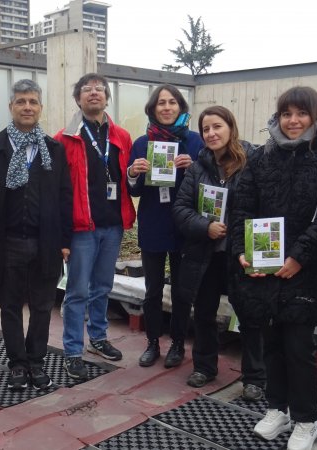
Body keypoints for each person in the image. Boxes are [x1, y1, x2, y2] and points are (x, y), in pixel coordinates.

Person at [230, 86, 317, 450]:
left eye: (302, 114)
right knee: (270, 342)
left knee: (299, 348)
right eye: (287, 114)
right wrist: (242, 251)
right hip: (265, 267)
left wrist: (299, 255)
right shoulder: (262, 157)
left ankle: (305, 419)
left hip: (304, 267)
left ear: (316, 116)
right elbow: (242, 208)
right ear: (278, 117)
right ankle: (276, 408)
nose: (294, 121)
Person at [0, 79, 72, 391]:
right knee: (10, 306)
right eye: (21, 101)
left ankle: (36, 361)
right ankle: (17, 363)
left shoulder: (54, 151)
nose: (27, 107)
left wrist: (65, 241)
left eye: (33, 102)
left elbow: (65, 197)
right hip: (5, 242)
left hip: (46, 243)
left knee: (42, 306)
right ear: (11, 106)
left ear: (40, 108)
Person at [172, 106, 263, 395]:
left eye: (217, 126)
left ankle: (255, 378)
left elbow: (264, 205)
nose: (211, 133)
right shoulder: (199, 168)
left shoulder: (253, 161)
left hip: (241, 252)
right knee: (204, 313)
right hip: (206, 254)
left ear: (230, 127)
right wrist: (204, 226)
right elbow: (181, 208)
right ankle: (204, 367)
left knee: (250, 316)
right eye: (206, 129)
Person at [55, 73, 136, 380]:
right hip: (81, 228)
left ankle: (98, 339)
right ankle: (73, 350)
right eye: (87, 90)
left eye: (100, 90)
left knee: (103, 287)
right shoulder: (65, 138)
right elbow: (59, 189)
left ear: (106, 98)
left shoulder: (121, 137)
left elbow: (128, 179)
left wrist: (133, 175)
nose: (94, 93)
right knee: (76, 291)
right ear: (78, 99)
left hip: (112, 225)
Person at [127, 85, 202, 368]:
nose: (167, 107)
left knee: (183, 291)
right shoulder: (141, 143)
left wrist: (194, 167)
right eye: (161, 103)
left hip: (186, 226)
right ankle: (152, 343)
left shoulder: (195, 142)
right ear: (153, 108)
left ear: (181, 107)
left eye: (172, 102)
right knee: (153, 290)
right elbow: (132, 191)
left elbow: (211, 184)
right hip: (154, 222)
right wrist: (133, 172)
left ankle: (179, 344)